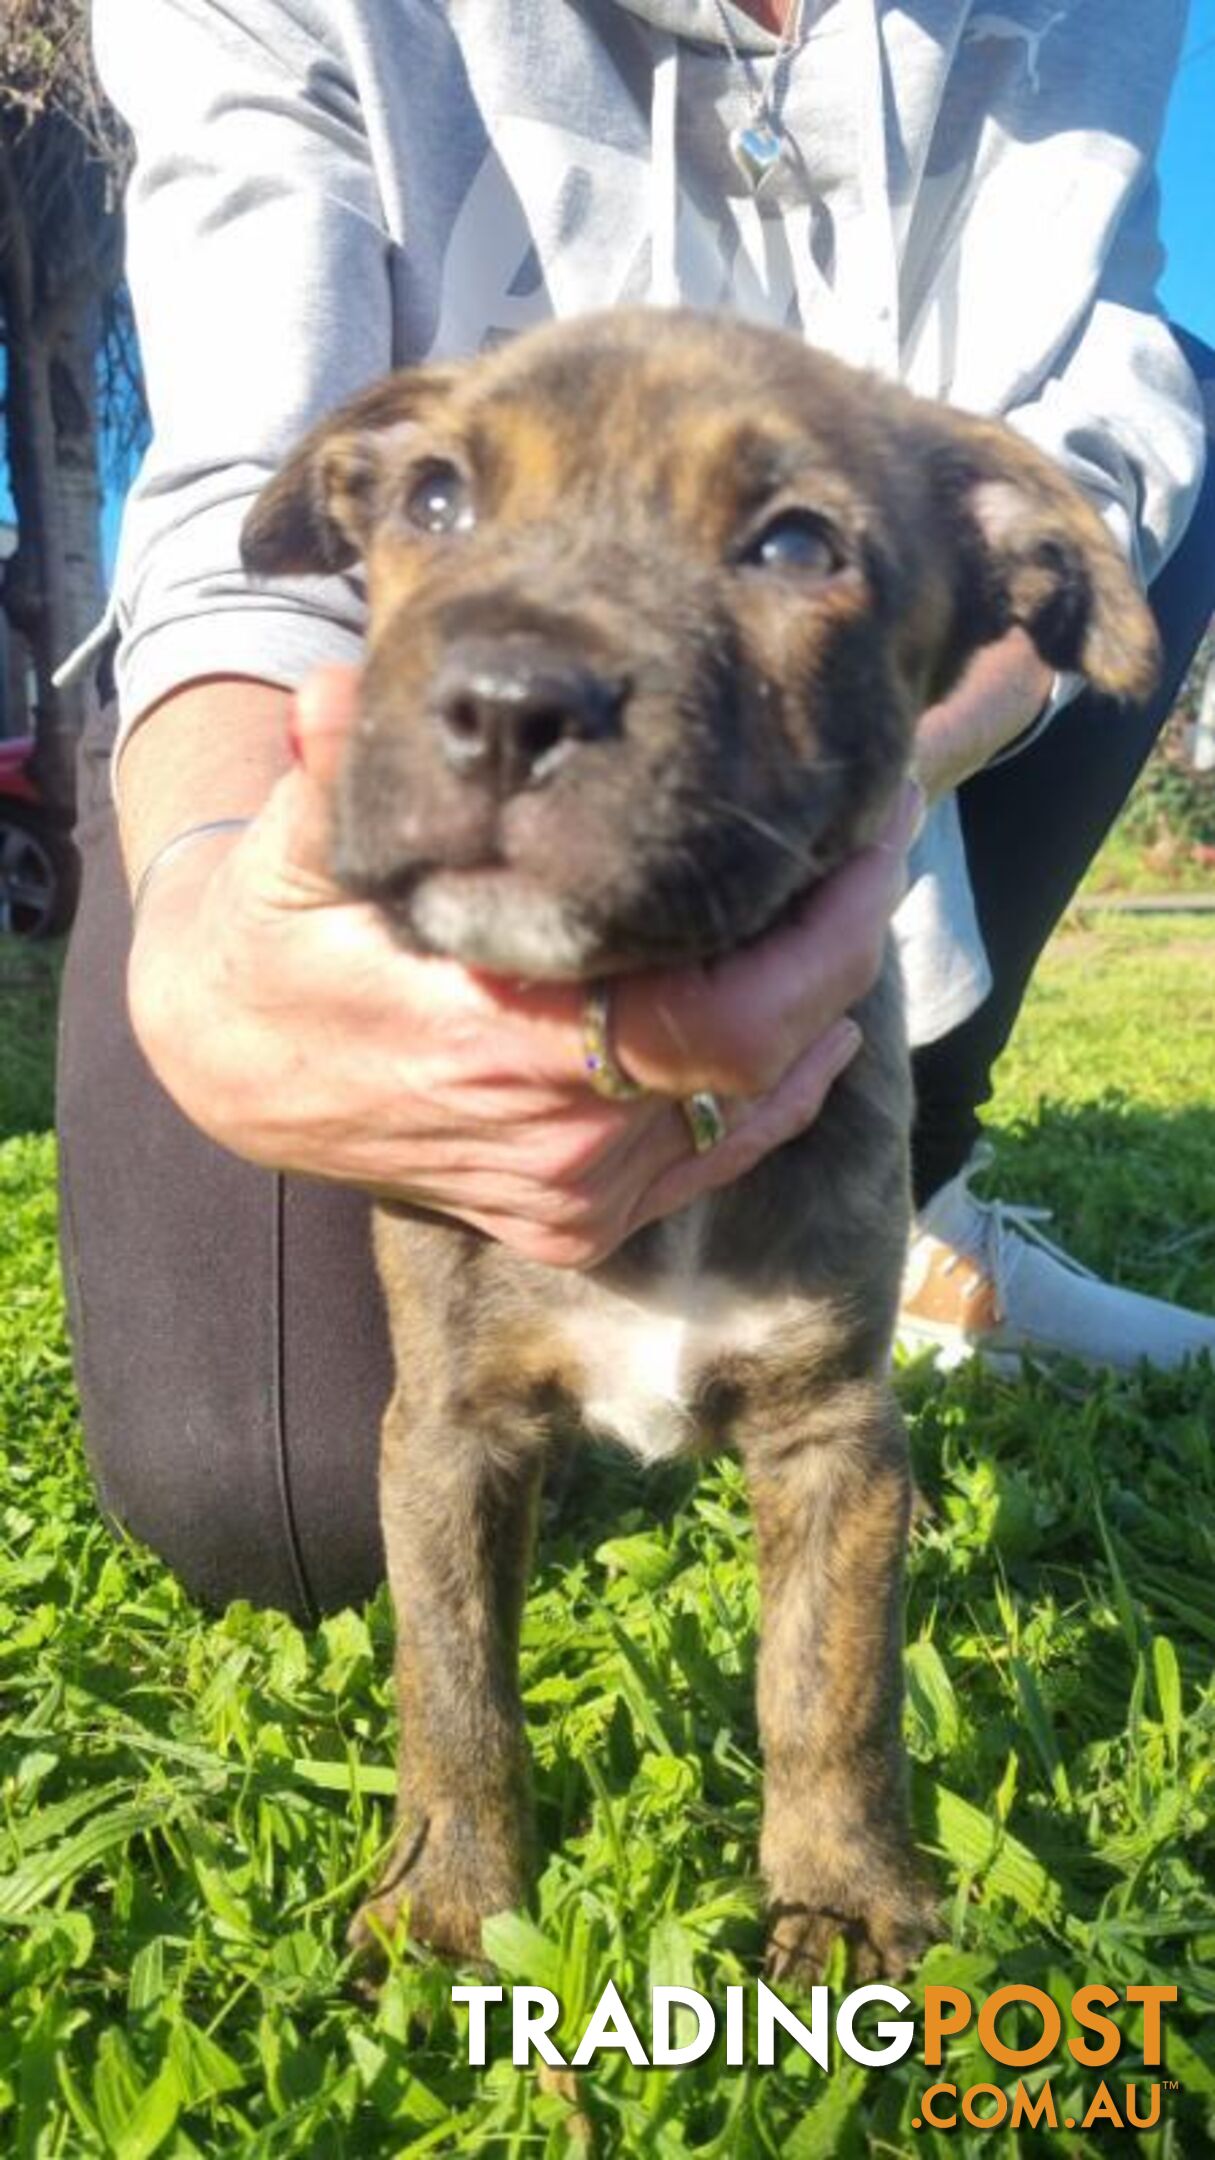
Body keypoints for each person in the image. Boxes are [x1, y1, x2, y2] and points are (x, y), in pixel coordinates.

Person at [61, 0, 1214, 1622]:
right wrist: (198, 942)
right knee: (268, 1489)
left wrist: (882, 737)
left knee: (1172, 448)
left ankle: (913, 1193)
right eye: (443, 499)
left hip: (841, 738)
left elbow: (1111, 375)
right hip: (330, 755)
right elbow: (229, 494)